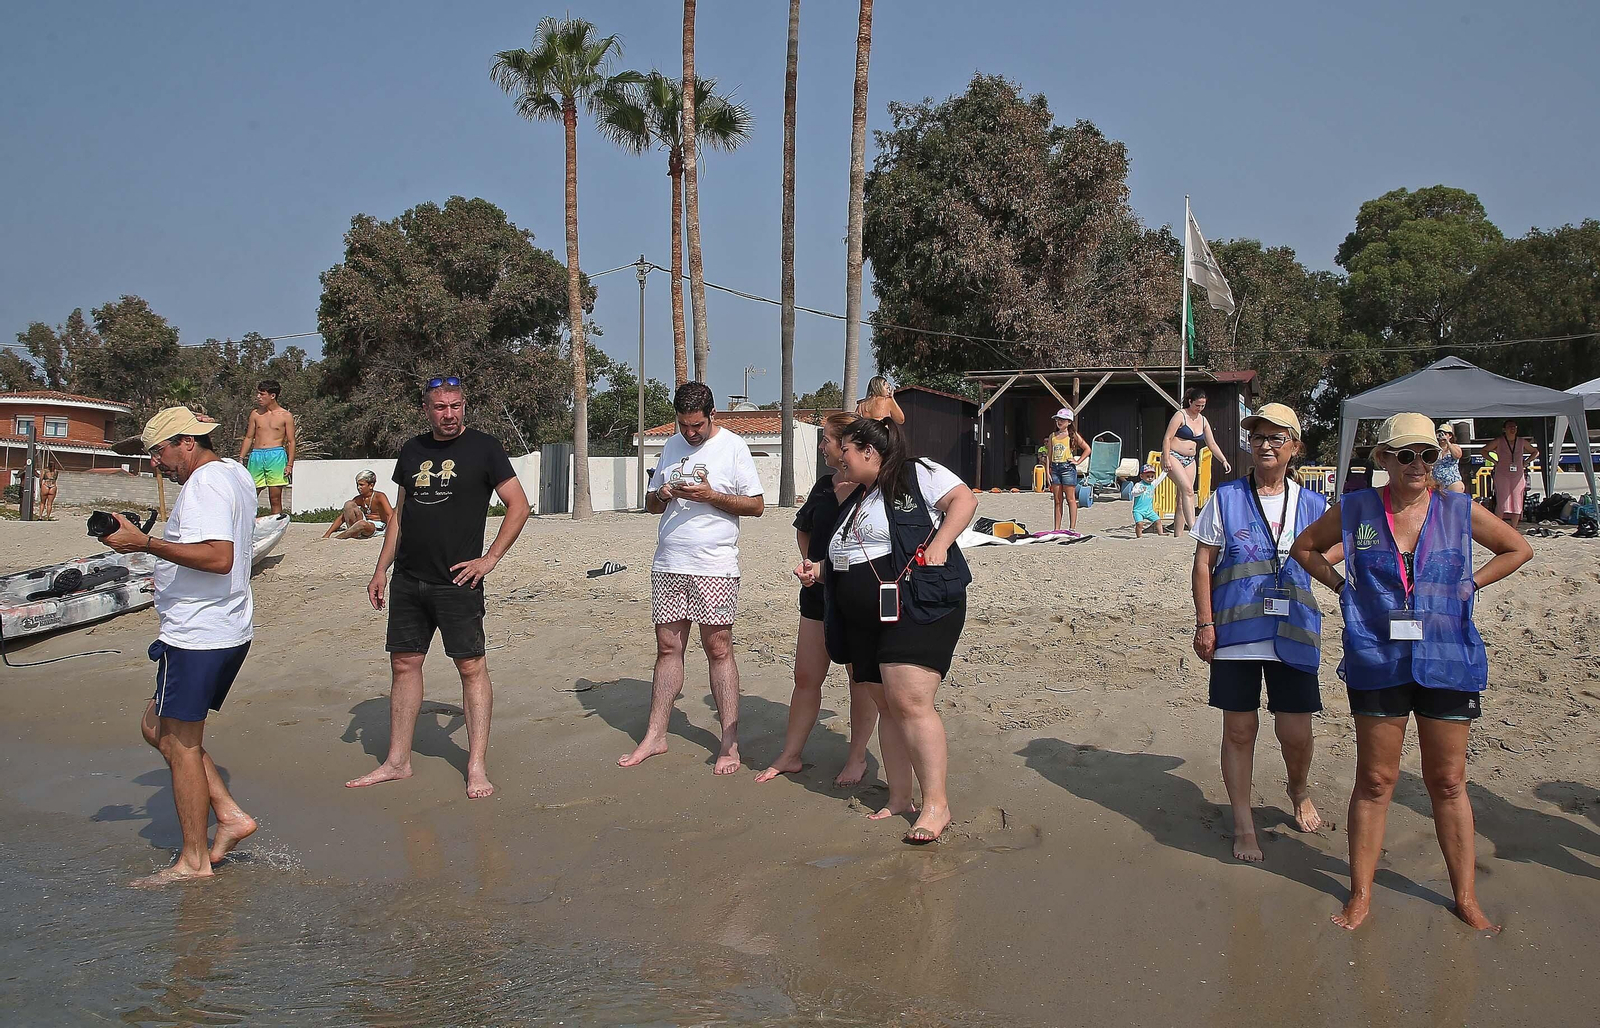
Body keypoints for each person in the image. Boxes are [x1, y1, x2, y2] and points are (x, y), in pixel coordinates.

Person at [1289, 412, 1532, 931]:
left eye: (1426, 454)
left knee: (1447, 781)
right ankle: (1360, 896)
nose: (1417, 464)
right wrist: (1341, 588)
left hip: (1448, 657)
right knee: (1376, 780)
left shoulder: (1458, 509)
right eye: (1405, 455)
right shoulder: (1357, 509)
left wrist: (1473, 583)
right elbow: (1304, 548)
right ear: (1383, 460)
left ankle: (1465, 898)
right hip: (1377, 657)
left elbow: (1518, 548)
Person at [348, 377, 531, 799]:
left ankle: (476, 765)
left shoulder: (485, 448)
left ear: (464, 406)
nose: (448, 414)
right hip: (410, 579)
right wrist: (381, 571)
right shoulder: (412, 450)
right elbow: (400, 516)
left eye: (455, 406)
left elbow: (519, 506)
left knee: (471, 667)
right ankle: (397, 761)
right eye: (439, 407)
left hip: (459, 580)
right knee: (404, 664)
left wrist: (489, 559)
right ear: (426, 410)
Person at [99, 407, 260, 886]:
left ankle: (194, 861)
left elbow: (217, 557)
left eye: (160, 451)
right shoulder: (234, 472)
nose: (155, 462)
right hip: (222, 627)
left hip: (199, 635)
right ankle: (229, 815)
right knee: (156, 727)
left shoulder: (206, 484)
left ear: (188, 442)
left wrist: (145, 544)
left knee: (183, 745)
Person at [1192, 403, 1335, 863]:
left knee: (1295, 732)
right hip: (1235, 632)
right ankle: (1243, 823)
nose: (1266, 444)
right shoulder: (1226, 497)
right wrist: (1204, 623)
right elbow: (1203, 563)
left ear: (1295, 446)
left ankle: (1298, 790)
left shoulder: (1315, 506)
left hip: (1293, 632)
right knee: (1239, 730)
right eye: (1258, 437)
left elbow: (1334, 561)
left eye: (1276, 437)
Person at [824, 416, 977, 843]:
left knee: (910, 699)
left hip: (918, 603)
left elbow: (964, 500)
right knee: (886, 703)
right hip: (865, 618)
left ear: (868, 451)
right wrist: (819, 570)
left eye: (847, 451)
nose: (841, 458)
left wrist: (941, 543)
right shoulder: (859, 496)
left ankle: (936, 805)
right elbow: (857, 551)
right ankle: (899, 797)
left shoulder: (918, 471)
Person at [620, 382, 766, 774]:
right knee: (668, 647)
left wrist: (712, 496)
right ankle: (656, 735)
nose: (690, 433)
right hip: (669, 561)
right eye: (684, 425)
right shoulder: (670, 446)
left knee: (718, 648)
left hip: (715, 564)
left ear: (712, 415)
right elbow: (651, 505)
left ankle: (729, 743)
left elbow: (756, 506)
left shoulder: (733, 447)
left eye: (697, 425)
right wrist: (664, 492)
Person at [756, 413, 878, 787]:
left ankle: (857, 757)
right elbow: (804, 528)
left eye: (826, 439)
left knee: (860, 680)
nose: (822, 445)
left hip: (857, 597)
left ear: (846, 446)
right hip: (816, 595)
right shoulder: (824, 485)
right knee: (806, 676)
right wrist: (810, 565)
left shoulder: (872, 489)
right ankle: (791, 754)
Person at [1163, 388, 1233, 535]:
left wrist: (1223, 460)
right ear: (1190, 401)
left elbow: (1211, 443)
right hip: (1174, 455)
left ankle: (1178, 535)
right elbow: (1167, 437)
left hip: (1190, 460)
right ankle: (1195, 527)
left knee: (1182, 498)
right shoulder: (1180, 415)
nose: (1199, 408)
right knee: (1188, 489)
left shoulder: (1203, 420)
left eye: (1202, 406)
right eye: (1197, 405)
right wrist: (1166, 458)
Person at [238, 380, 296, 515]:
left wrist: (290, 464)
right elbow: (248, 437)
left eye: (262, 394)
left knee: (275, 497)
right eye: (258, 393)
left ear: (272, 396)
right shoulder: (255, 414)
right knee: (250, 495)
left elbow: (291, 441)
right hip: (256, 455)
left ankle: (276, 528)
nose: (258, 397)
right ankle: (247, 525)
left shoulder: (286, 416)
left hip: (276, 455)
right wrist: (241, 458)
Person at [1487, 419, 1540, 529]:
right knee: (1502, 501)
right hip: (1502, 473)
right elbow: (1484, 451)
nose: (1512, 429)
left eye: (1514, 427)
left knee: (1517, 502)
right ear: (1504, 429)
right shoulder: (1499, 441)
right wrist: (1495, 462)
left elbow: (1535, 452)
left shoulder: (1521, 441)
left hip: (1517, 474)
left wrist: (1525, 462)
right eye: (1510, 427)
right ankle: (1497, 527)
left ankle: (1514, 528)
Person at [1046, 407, 1090, 533]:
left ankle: (1072, 528)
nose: (1059, 422)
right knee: (1057, 500)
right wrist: (1047, 470)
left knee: (1070, 499)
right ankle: (1056, 529)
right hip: (1055, 468)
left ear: (1069, 422)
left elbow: (1087, 449)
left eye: (1063, 420)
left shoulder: (1072, 435)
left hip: (1067, 468)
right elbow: (1049, 454)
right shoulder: (1052, 436)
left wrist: (1078, 461)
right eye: (1058, 420)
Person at [321, 470, 395, 540]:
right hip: (364, 523)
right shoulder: (359, 499)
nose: (358, 487)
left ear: (371, 485)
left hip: (377, 526)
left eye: (361, 485)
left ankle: (339, 537)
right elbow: (343, 517)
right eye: (357, 485)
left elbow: (390, 514)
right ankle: (353, 532)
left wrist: (388, 532)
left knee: (362, 524)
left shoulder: (379, 496)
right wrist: (328, 533)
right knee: (349, 504)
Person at [1130, 463, 1165, 537]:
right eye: (1148, 476)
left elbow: (1160, 479)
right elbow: (1133, 493)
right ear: (1141, 476)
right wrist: (1140, 491)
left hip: (1149, 510)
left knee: (1158, 521)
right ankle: (1139, 536)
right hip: (1138, 510)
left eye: (1152, 476)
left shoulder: (1152, 484)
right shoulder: (1138, 485)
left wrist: (1165, 471)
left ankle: (1161, 533)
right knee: (1139, 524)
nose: (1150, 478)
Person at [1431, 423, 1466, 494]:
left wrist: (1447, 442)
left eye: (1445, 433)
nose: (1442, 435)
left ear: (1450, 436)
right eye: (1440, 433)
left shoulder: (1454, 446)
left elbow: (1458, 455)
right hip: (1438, 485)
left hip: (1452, 483)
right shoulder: (1435, 449)